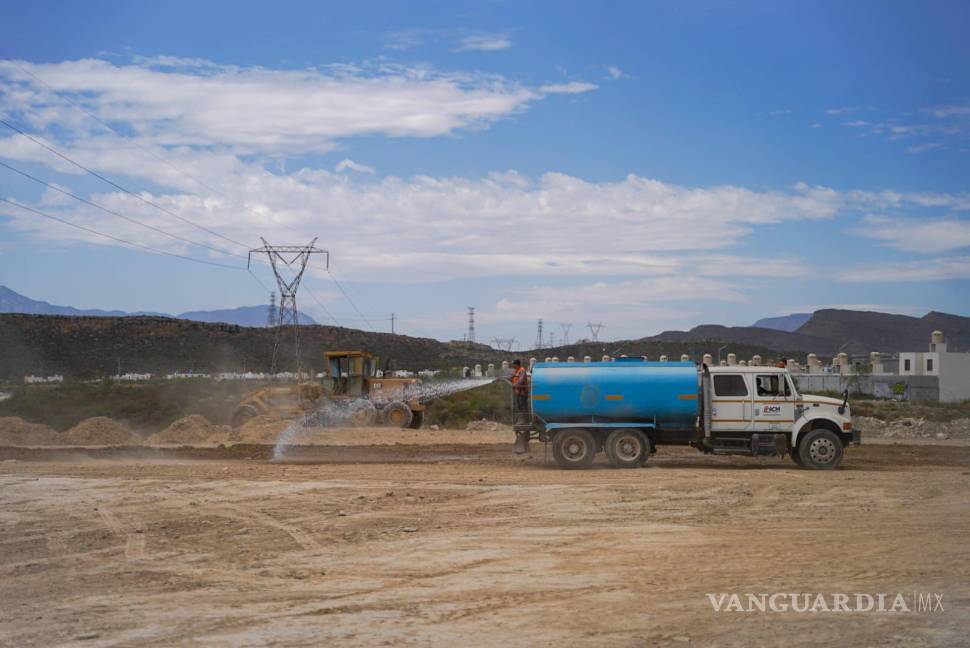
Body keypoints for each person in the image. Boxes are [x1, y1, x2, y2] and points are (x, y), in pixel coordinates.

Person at [510, 359, 531, 453]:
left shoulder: (522, 370)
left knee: (523, 407)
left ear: (517, 364)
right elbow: (514, 378)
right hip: (519, 393)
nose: (512, 366)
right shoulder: (517, 371)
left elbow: (521, 380)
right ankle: (523, 420)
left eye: (513, 364)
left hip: (522, 393)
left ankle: (525, 420)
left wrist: (515, 384)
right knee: (521, 407)